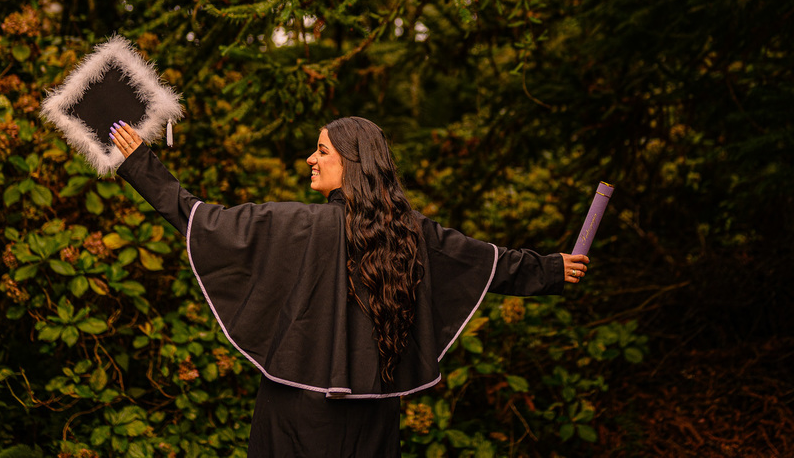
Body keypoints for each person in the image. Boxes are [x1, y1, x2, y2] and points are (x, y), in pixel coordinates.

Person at [109, 115, 590, 458]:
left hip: (296, 412)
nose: (309, 159)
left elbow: (202, 220)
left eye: (322, 151)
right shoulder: (412, 232)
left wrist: (141, 164)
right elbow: (486, 262)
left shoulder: (302, 225)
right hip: (375, 415)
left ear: (353, 162)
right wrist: (551, 269)